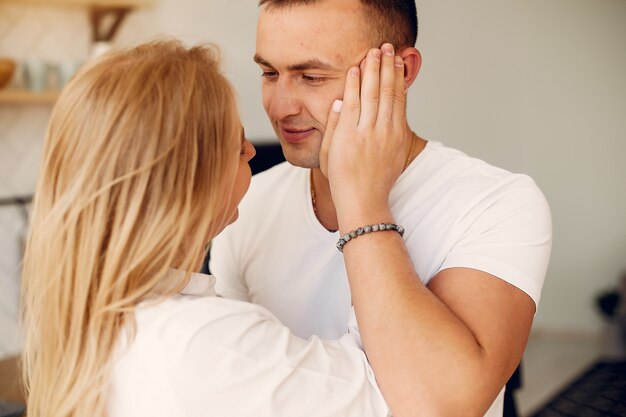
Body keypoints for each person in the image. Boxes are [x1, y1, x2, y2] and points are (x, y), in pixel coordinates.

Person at [19, 40, 420, 417]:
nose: (251, 151)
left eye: (311, 77)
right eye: (236, 142)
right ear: (190, 179)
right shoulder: (205, 341)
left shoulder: (92, 320)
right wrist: (363, 201)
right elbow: (394, 394)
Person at [208, 1, 553, 416]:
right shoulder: (244, 205)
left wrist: (363, 202)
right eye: (269, 73)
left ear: (400, 71)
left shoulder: (495, 203)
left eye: (312, 76)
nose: (281, 107)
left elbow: (443, 406)